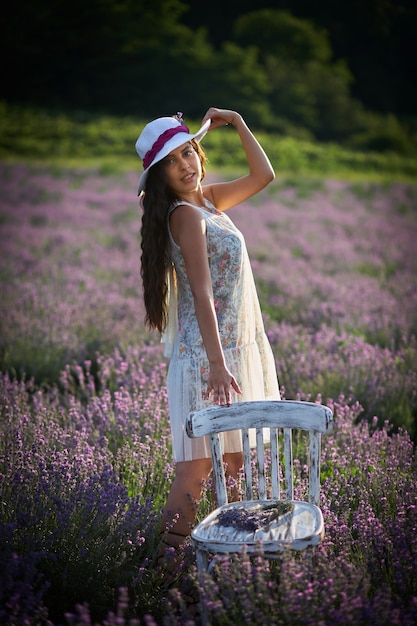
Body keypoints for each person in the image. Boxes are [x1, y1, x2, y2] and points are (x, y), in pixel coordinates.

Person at [135, 107, 280, 562]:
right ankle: (162, 571)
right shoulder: (185, 215)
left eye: (188, 152)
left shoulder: (208, 200)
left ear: (199, 150)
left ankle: (226, 562)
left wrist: (237, 122)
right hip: (207, 359)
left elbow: (264, 175)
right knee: (196, 472)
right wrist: (217, 365)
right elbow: (201, 295)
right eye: (173, 162)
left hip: (231, 353)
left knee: (234, 466)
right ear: (161, 177)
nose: (185, 165)